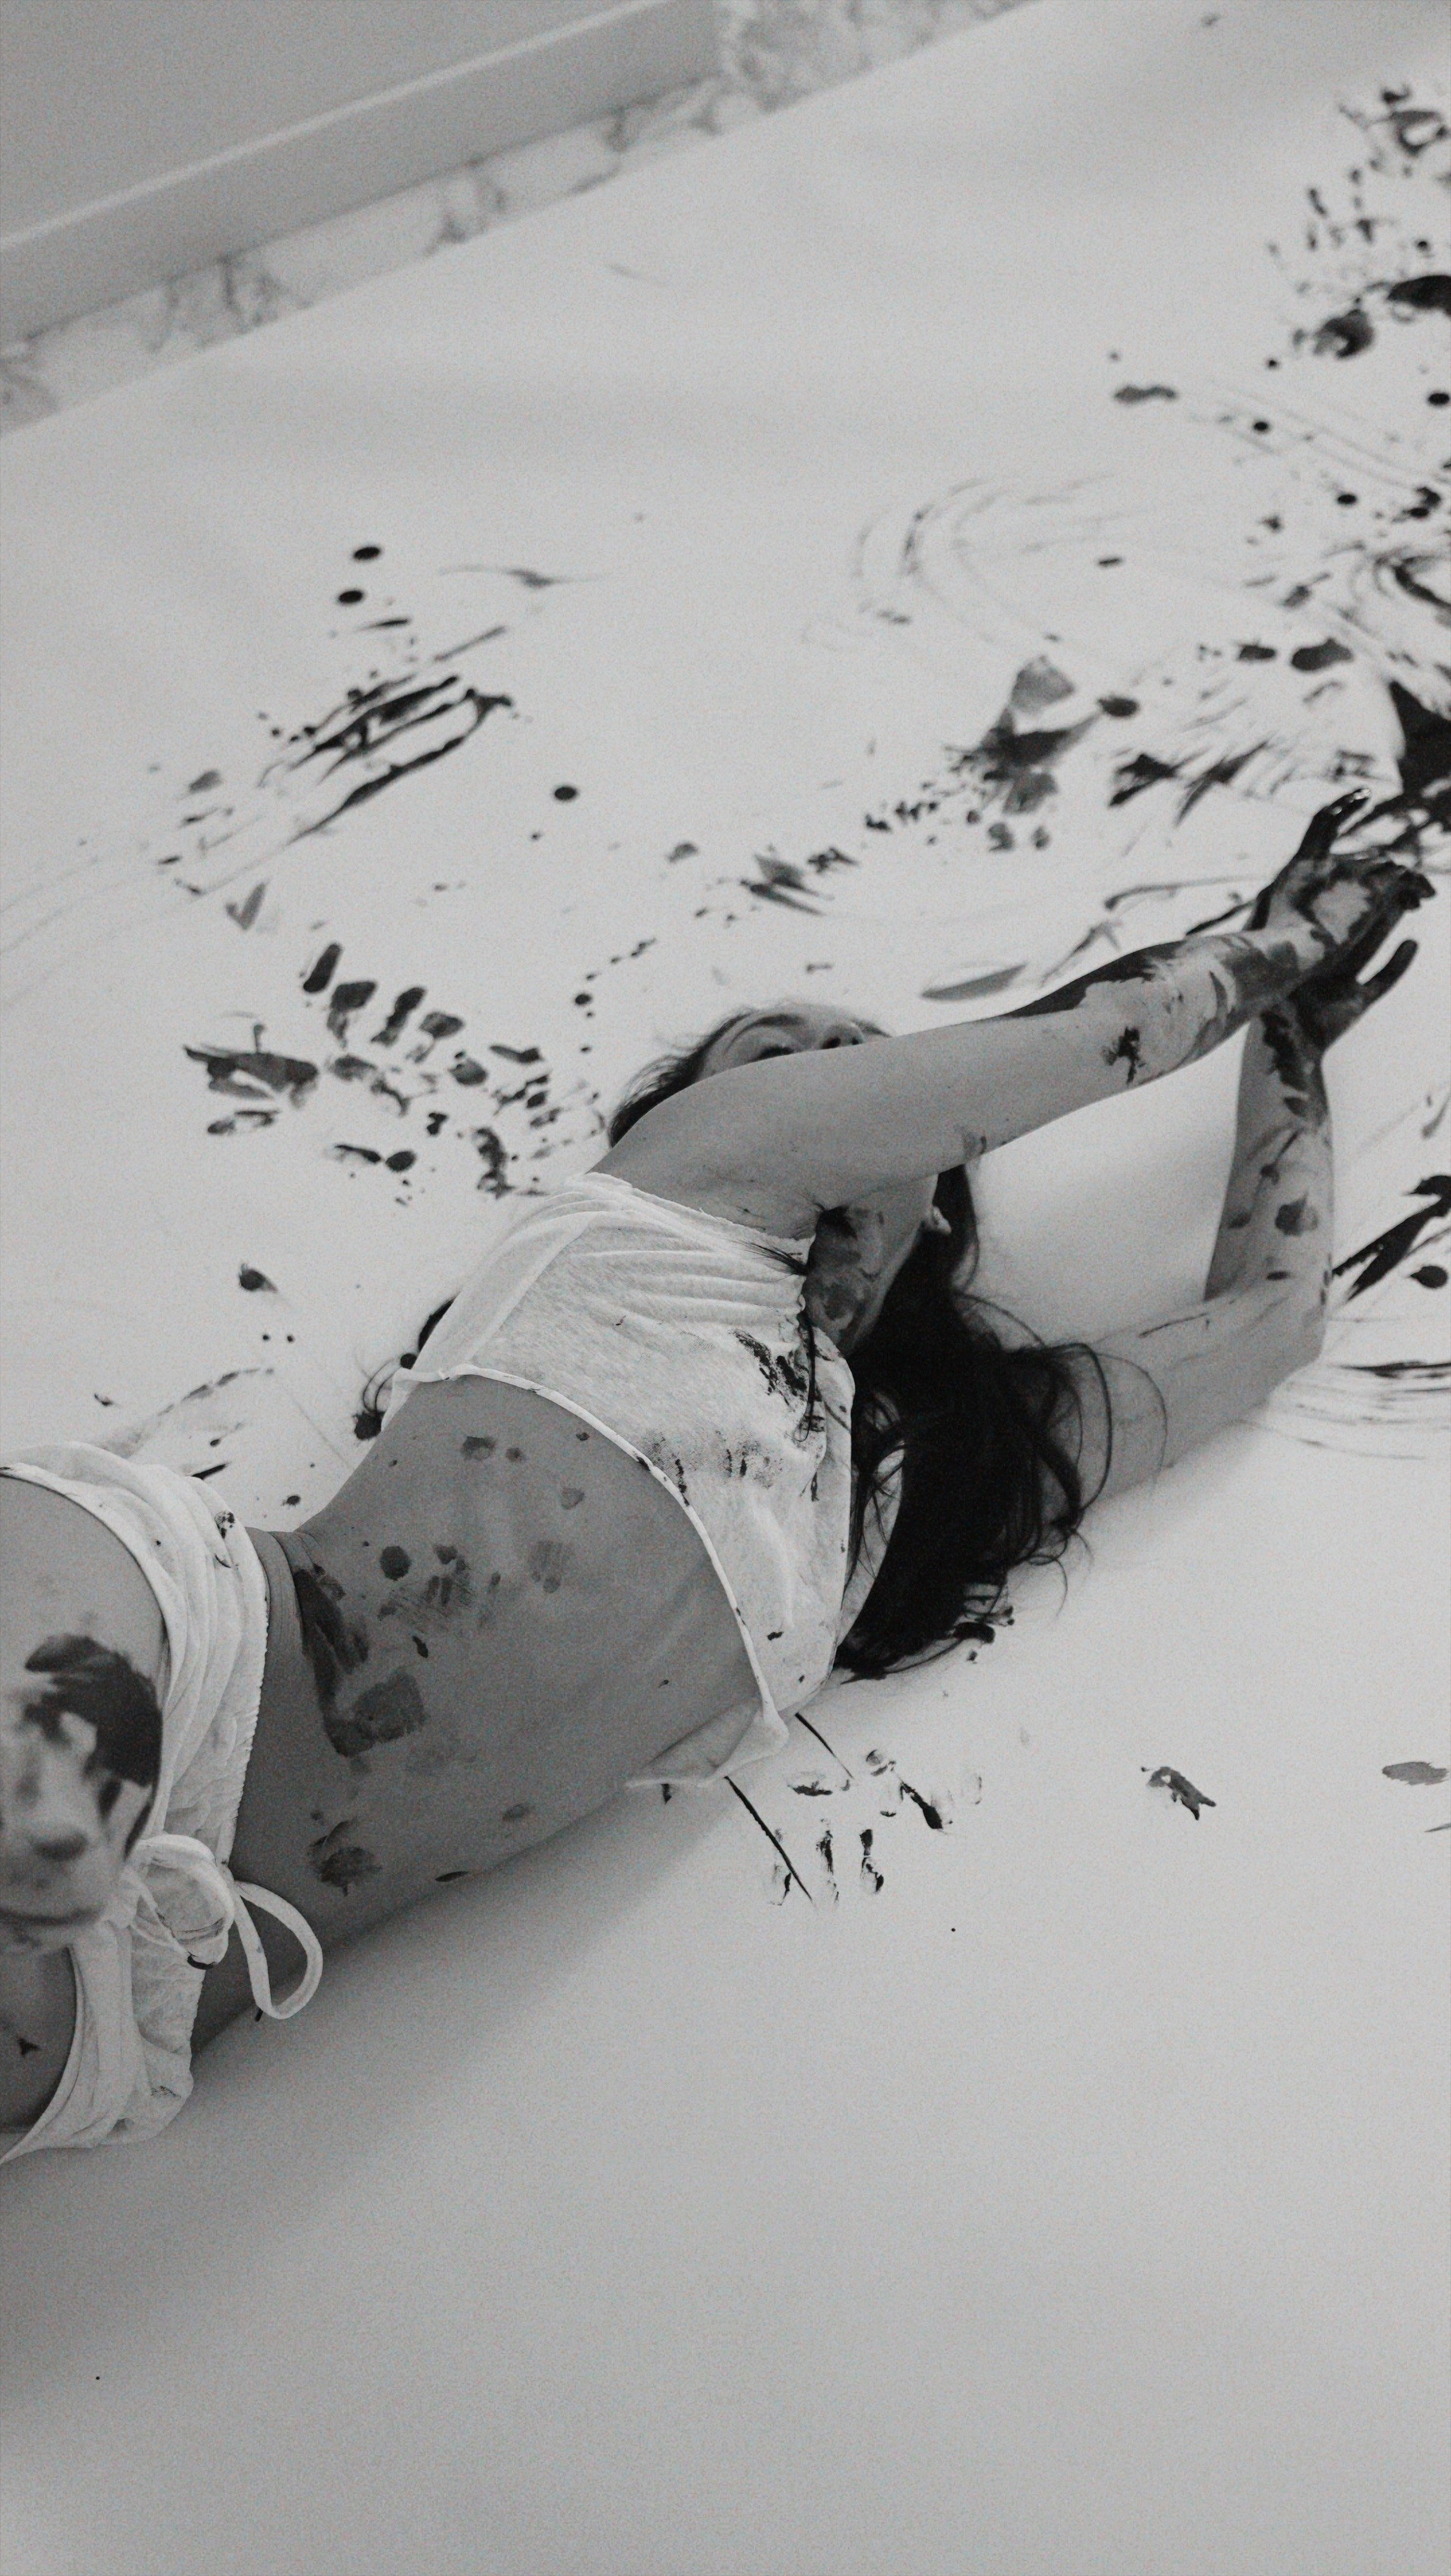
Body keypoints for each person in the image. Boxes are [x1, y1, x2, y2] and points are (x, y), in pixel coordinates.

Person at [0, 793, 1431, 2155]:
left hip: (166, 1990)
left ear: (935, 1200)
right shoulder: (677, 1197)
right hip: (179, 1636)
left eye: (856, 1065)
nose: (819, 1073)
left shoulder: (882, 1504)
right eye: (776, 1060)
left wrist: (1292, 1033)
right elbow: (1101, 1034)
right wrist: (1287, 933)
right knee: (45, 1765)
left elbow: (1273, 1321)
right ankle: (40, 1786)